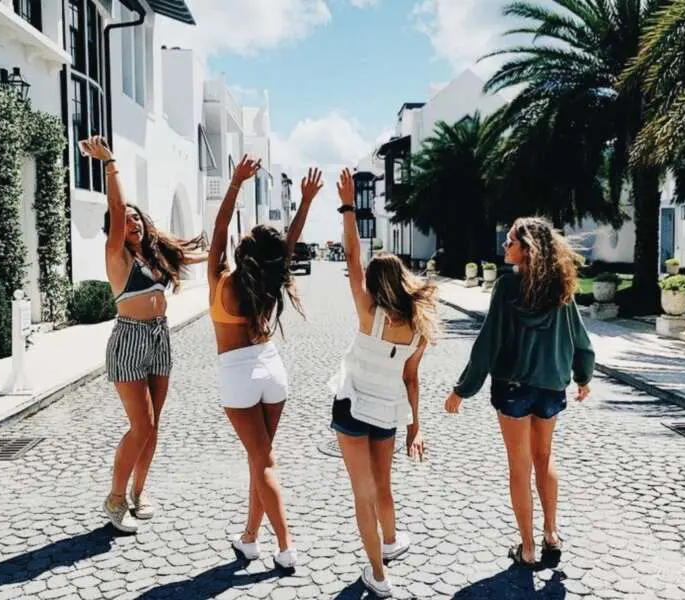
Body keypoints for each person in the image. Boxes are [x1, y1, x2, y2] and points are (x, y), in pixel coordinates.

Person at [444, 216, 595, 567]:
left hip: (513, 387)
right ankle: (551, 534)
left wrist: (462, 389)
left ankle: (527, 548)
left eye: (510, 241)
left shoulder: (508, 287)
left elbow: (489, 342)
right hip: (551, 387)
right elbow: (581, 339)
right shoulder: (560, 286)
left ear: (526, 249)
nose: (504, 245)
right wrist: (583, 377)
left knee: (520, 466)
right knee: (544, 457)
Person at [79, 135, 209, 533]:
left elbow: (200, 255)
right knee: (142, 426)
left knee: (154, 425)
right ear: (115, 228)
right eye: (126, 219)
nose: (132, 221)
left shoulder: (155, 256)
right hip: (130, 340)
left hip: (159, 338)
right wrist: (110, 164)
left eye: (137, 217)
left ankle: (139, 491)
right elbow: (117, 208)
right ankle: (116, 497)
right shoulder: (116, 255)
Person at [207, 155, 323, 570]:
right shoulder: (271, 284)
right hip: (272, 368)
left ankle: (286, 547)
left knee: (263, 461)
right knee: (259, 460)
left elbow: (219, 228)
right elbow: (289, 243)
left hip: (238, 375)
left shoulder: (221, 279)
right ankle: (249, 539)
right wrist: (305, 201)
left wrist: (236, 182)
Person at [328, 168, 439, 597]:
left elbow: (351, 256)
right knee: (383, 487)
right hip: (386, 414)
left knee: (363, 494)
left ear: (375, 285)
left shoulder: (367, 314)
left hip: (352, 407)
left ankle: (377, 573)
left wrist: (348, 206)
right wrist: (415, 427)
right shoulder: (418, 332)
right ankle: (390, 542)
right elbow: (412, 380)